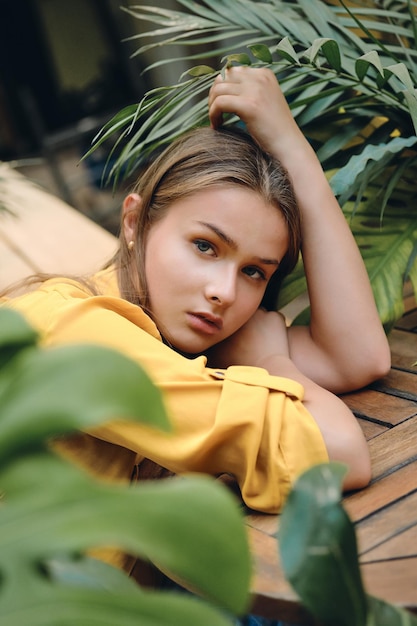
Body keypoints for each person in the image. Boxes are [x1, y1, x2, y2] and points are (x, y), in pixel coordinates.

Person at [2, 67, 390, 569]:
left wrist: (295, 151)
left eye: (254, 271)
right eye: (205, 246)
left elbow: (359, 356)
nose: (223, 293)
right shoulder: (81, 332)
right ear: (134, 222)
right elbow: (338, 453)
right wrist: (273, 360)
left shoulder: (179, 335)